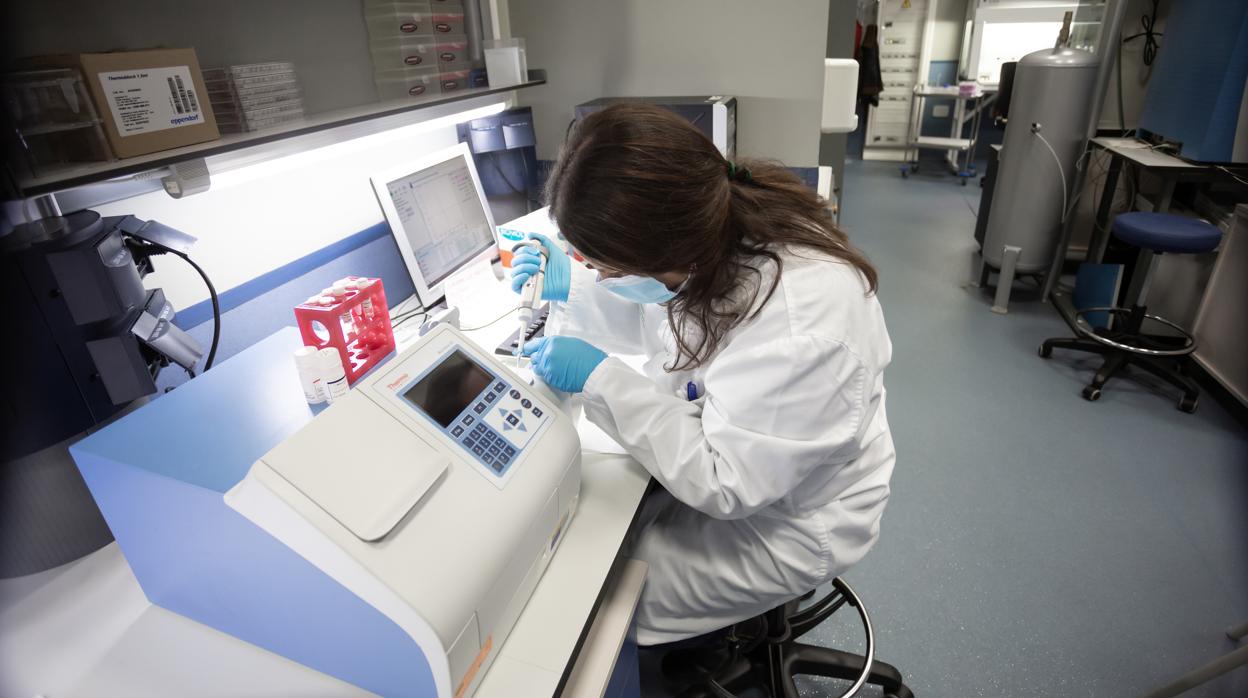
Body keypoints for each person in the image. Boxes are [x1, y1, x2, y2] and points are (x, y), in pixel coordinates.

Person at [509, 104, 895, 647]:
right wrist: (571, 284)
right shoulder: (713, 236)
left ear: (668, 251)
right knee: (599, 533)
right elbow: (671, 321)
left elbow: (725, 481)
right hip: (754, 460)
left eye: (607, 267)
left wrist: (600, 380)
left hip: (789, 520)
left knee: (592, 601)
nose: (600, 274)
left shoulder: (801, 324)